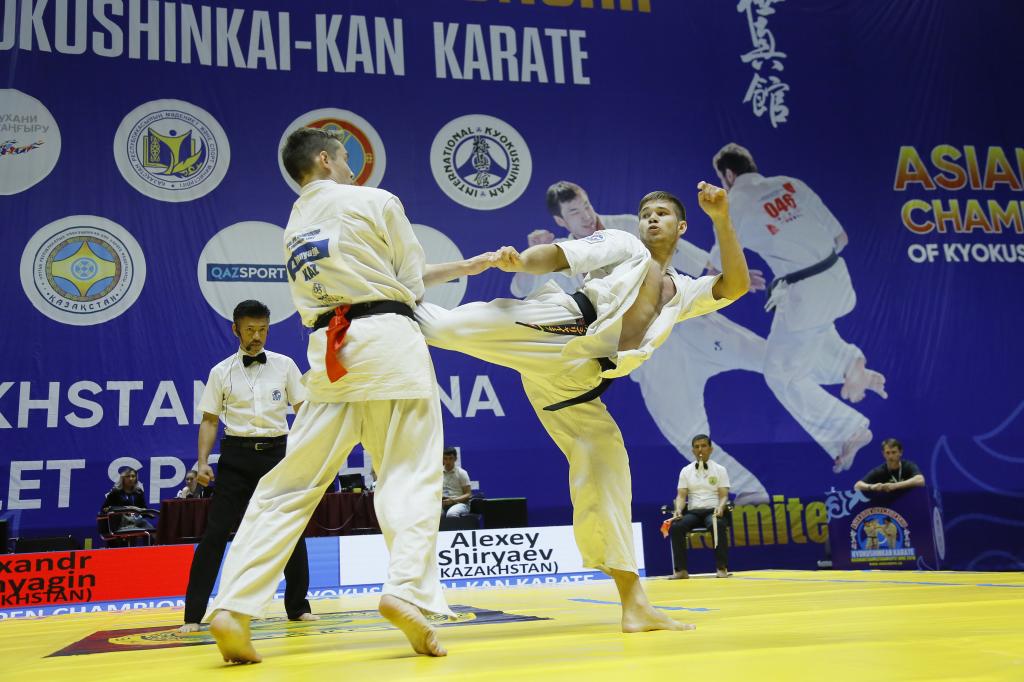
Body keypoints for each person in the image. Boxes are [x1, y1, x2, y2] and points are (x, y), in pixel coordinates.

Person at [207, 127, 492, 663]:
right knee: (409, 475)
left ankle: (234, 605)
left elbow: (371, 277)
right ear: (325, 159)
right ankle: (405, 591)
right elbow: (408, 281)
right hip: (388, 345)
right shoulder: (375, 200)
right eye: (344, 159)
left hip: (330, 354)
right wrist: (458, 271)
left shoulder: (295, 224)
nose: (349, 168)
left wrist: (464, 266)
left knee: (289, 485)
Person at [418, 181, 750, 633]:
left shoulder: (683, 291)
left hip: (577, 383)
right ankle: (380, 300)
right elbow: (558, 256)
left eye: (662, 213)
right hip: (563, 325)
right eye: (646, 213)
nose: (652, 218)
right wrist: (522, 261)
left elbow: (735, 286)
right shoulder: (623, 245)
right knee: (450, 329)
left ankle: (634, 604)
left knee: (608, 469)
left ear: (682, 226)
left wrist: (723, 219)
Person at [511, 181, 769, 503]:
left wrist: (727, 253)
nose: (586, 216)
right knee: (685, 431)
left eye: (586, 205)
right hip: (652, 354)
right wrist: (526, 255)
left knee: (776, 360)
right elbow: (520, 287)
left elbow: (701, 264)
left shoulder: (627, 226)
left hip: (693, 323)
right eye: (575, 212)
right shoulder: (565, 250)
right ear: (561, 221)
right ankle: (749, 490)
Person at [711, 143, 888, 474]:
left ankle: (848, 429)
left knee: (781, 373)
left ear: (729, 176)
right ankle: (849, 363)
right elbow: (841, 238)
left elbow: (717, 267)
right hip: (836, 279)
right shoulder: (790, 184)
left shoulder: (732, 204)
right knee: (808, 341)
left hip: (804, 293)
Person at [178, 299, 315, 635]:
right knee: (215, 533)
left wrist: (305, 454)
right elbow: (210, 420)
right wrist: (202, 463)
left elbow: (305, 412)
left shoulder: (284, 365)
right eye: (250, 329)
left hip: (278, 454)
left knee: (290, 530)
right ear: (235, 330)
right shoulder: (220, 372)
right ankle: (193, 614)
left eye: (263, 330)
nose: (257, 336)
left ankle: (298, 607)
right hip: (236, 457)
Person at [667, 435, 731, 579]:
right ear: (692, 450)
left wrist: (721, 507)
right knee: (676, 527)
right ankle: (681, 570)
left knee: (718, 525)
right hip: (693, 512)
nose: (700, 449)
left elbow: (723, 496)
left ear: (711, 449)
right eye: (696, 447)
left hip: (712, 511)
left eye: (703, 446)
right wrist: (678, 509)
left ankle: (722, 568)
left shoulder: (720, 470)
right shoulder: (686, 471)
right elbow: (681, 496)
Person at [854, 438, 925, 494]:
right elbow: (857, 486)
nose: (890, 456)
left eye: (894, 452)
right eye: (887, 453)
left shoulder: (908, 465)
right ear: (883, 454)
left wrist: (895, 486)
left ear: (900, 452)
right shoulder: (879, 471)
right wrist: (872, 487)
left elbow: (920, 480)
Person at [442, 447, 472, 518]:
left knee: (451, 514)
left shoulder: (462, 473)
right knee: (433, 514)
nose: (448, 461)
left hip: (459, 503)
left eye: (450, 458)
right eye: (445, 458)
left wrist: (453, 500)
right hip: (443, 503)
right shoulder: (437, 473)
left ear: (455, 459)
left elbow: (468, 494)